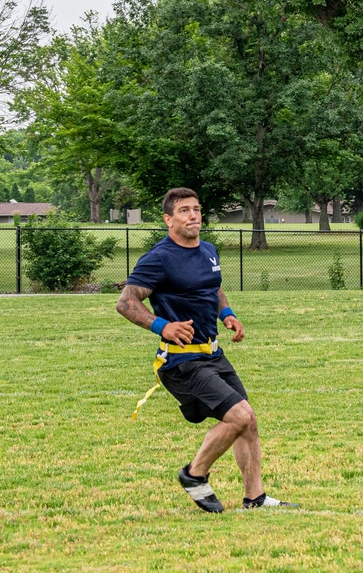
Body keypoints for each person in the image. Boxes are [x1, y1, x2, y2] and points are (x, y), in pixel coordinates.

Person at [116, 187, 297, 513]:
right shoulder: (160, 258)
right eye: (184, 210)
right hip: (182, 361)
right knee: (239, 416)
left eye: (197, 209)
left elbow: (213, 287)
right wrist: (163, 326)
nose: (193, 215)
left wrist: (226, 314)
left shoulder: (208, 251)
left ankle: (254, 498)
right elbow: (126, 303)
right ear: (168, 219)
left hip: (212, 354)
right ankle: (194, 474)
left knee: (249, 421)